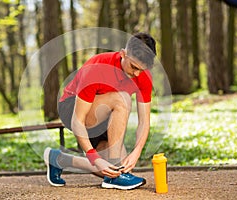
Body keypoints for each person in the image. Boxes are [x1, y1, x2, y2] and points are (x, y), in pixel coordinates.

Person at [44, 33, 156, 190]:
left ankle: (58, 159)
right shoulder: (96, 69)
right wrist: (93, 157)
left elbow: (144, 122)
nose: (137, 74)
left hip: (105, 115)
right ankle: (113, 176)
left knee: (116, 169)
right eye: (134, 67)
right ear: (123, 54)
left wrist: (136, 152)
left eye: (141, 70)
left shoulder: (143, 75)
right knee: (123, 99)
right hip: (73, 109)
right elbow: (78, 121)